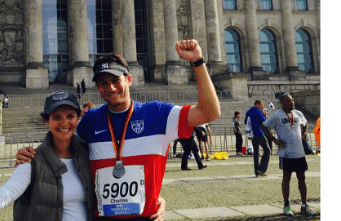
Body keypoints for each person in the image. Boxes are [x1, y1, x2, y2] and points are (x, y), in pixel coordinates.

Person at [18, 39, 221, 220]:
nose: (111, 88)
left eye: (116, 80)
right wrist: (31, 156)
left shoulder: (158, 114)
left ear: (129, 79)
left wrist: (198, 62)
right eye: (103, 83)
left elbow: (209, 113)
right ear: (98, 88)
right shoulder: (89, 121)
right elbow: (62, 150)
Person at [0, 90, 96, 220]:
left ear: (78, 118)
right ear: (47, 121)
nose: (64, 123)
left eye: (70, 116)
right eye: (56, 117)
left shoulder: (89, 155)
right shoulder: (31, 161)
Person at [261, 93, 317, 216]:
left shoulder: (298, 113)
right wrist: (273, 139)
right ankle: (286, 206)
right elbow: (264, 126)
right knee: (286, 178)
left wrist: (304, 133)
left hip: (299, 152)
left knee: (302, 178)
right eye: (289, 101)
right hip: (286, 153)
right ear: (282, 103)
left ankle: (304, 205)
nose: (292, 102)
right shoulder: (277, 116)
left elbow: (305, 123)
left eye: (292, 100)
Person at [245, 100, 270, 177]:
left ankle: (256, 171)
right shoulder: (258, 111)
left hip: (252, 135)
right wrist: (264, 114)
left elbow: (245, 121)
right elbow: (264, 121)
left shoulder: (248, 111)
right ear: (257, 105)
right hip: (259, 133)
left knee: (256, 153)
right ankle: (261, 169)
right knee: (267, 150)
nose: (262, 106)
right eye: (261, 105)